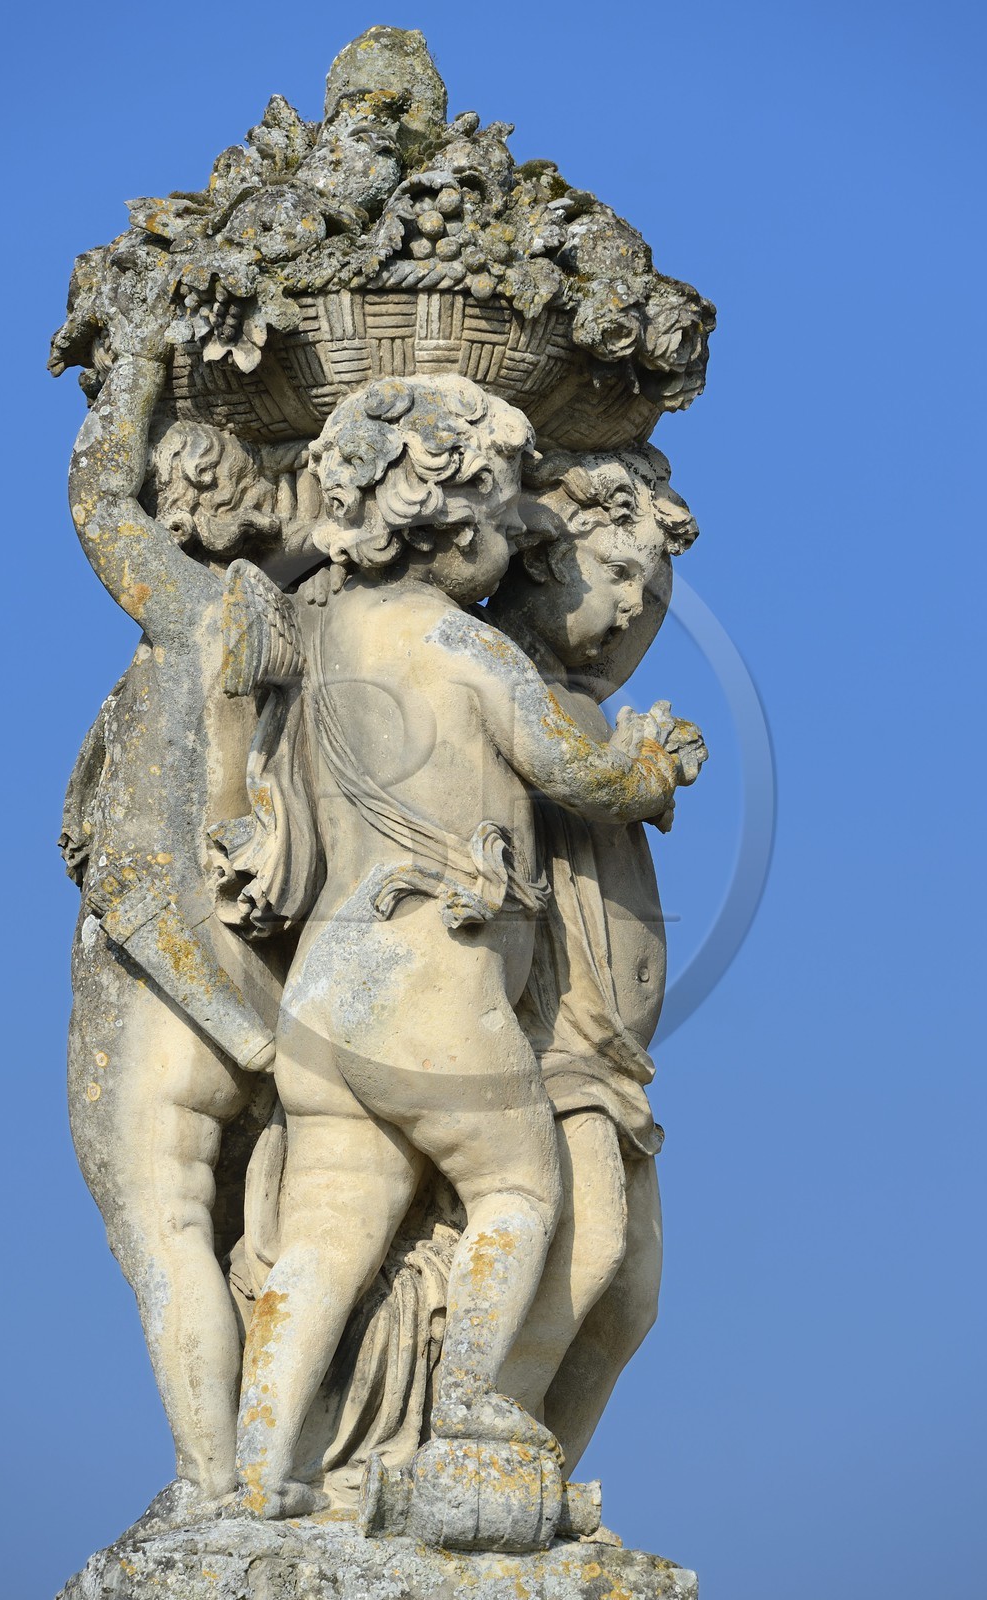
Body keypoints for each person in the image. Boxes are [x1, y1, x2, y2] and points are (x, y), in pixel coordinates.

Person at [230, 376, 703, 1517]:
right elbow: (574, 770)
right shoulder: (463, 647)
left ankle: (256, 1470)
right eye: (499, 520)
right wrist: (647, 770)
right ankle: (474, 1404)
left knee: (324, 1239)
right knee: (518, 1187)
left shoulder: (330, 631)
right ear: (443, 523)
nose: (511, 544)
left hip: (328, 1000)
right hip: (433, 986)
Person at [64, 292, 324, 1524]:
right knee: (234, 1231)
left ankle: (215, 1483)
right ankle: (273, 1458)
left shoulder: (198, 613)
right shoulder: (293, 628)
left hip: (169, 986)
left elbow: (93, 504)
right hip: (260, 982)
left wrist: (140, 356)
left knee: (160, 1222)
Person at [486, 444, 706, 1474]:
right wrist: (644, 772)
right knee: (592, 1249)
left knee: (631, 1299)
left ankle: (534, 1467)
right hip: (548, 1033)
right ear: (541, 557)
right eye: (615, 579)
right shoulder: (502, 681)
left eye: (651, 597)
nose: (631, 614)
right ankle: (476, 1439)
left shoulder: (582, 703)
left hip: (616, 1054)